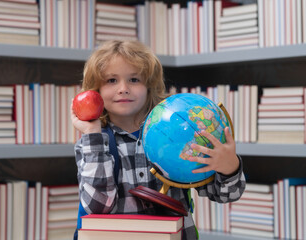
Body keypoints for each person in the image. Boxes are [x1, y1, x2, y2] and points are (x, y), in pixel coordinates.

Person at [71, 40, 246, 239]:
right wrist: (92, 134)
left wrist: (229, 167)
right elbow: (98, 207)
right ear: (95, 91)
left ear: (149, 86)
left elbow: (227, 195)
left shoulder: (180, 135)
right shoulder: (93, 143)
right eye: (111, 80)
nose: (123, 88)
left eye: (134, 79)